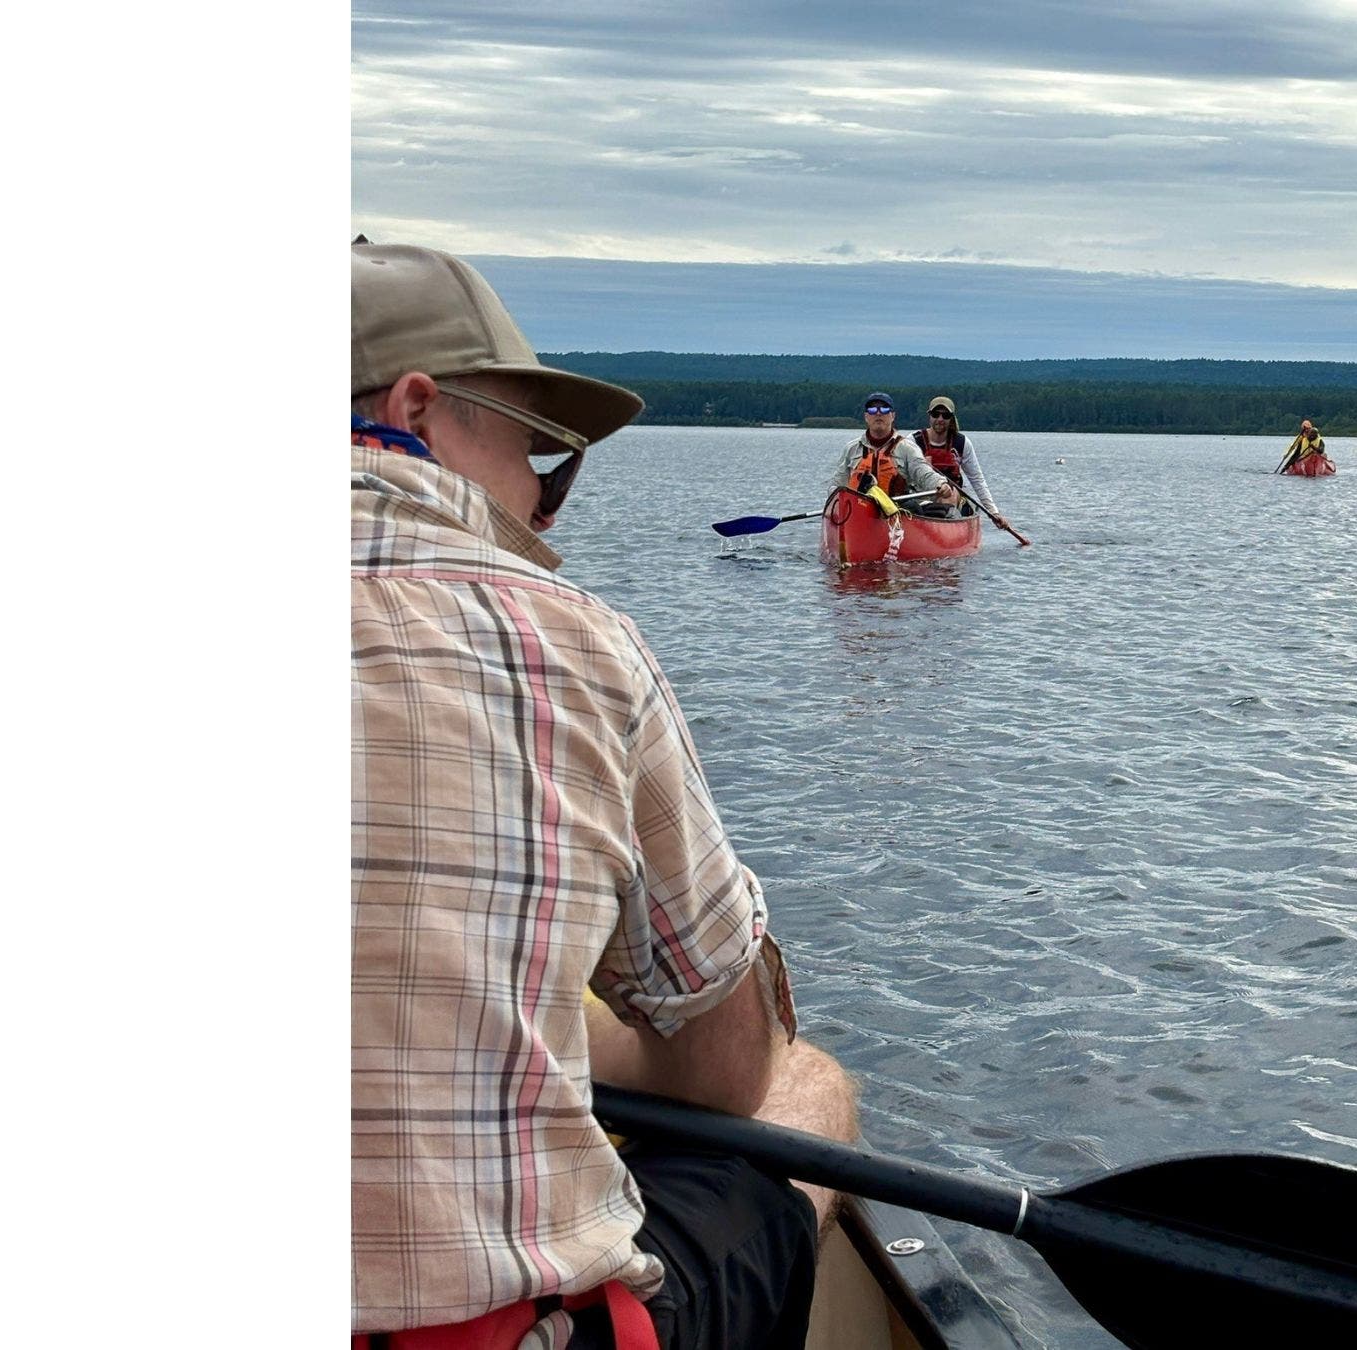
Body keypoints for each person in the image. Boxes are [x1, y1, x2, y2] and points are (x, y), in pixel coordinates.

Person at [352, 241, 859, 1350]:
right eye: (539, 451)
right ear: (417, 406)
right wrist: (576, 1041)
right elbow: (729, 1071)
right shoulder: (572, 641)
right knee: (805, 1090)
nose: (544, 497)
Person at [832, 391, 957, 515]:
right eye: (872, 410)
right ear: (866, 416)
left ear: (893, 416)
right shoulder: (851, 449)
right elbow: (837, 485)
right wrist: (834, 506)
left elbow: (923, 472)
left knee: (921, 507)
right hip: (857, 512)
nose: (879, 413)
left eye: (884, 409)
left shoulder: (907, 448)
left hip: (896, 510)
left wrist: (940, 483)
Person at [913, 395, 1022, 536]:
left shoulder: (961, 443)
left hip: (950, 493)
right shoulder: (914, 441)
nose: (940, 419)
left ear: (951, 418)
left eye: (945, 415)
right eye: (935, 414)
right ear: (929, 416)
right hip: (920, 492)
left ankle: (942, 534)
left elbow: (977, 480)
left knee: (948, 496)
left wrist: (994, 512)